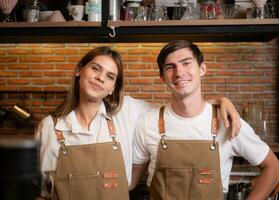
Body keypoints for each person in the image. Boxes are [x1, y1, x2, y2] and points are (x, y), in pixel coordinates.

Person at [35, 46, 241, 200]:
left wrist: (220, 101)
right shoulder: (49, 128)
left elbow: (181, 107)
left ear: (113, 88)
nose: (100, 78)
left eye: (109, 76)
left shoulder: (127, 112)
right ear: (80, 70)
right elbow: (40, 191)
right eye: (95, 69)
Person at [132, 40, 279, 200]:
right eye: (170, 67)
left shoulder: (227, 122)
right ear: (162, 77)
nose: (179, 72)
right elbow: (132, 180)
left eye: (186, 63)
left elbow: (273, 168)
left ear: (202, 68)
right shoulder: (147, 122)